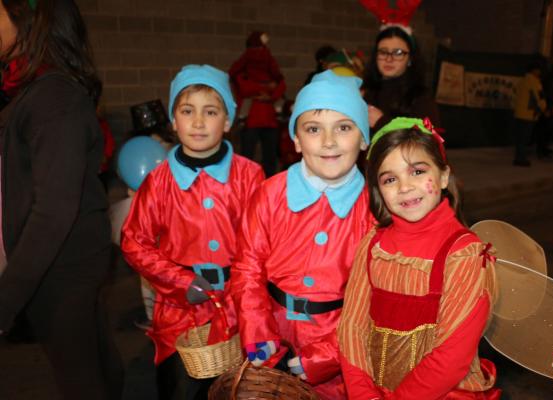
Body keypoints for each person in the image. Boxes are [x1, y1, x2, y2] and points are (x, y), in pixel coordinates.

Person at [0, 1, 123, 399]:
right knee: (93, 360)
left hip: (60, 264)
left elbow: (54, 209)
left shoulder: (53, 97)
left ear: (28, 23)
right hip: (67, 258)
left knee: (80, 379)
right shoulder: (39, 91)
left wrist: (7, 296)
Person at [121, 64, 264, 400]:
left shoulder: (250, 176)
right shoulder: (159, 182)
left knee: (233, 390)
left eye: (210, 112)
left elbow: (263, 244)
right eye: (187, 111)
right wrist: (181, 281)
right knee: (179, 390)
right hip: (178, 312)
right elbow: (134, 242)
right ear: (174, 120)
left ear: (227, 121)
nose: (198, 122)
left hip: (235, 308)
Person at [231, 70, 372, 399]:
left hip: (339, 344)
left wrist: (331, 354)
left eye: (344, 127)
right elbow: (248, 267)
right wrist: (256, 329)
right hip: (271, 334)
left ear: (363, 138)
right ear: (295, 139)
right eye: (313, 129)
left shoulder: (373, 210)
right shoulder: (269, 194)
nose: (328, 142)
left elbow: (375, 301)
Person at [338, 117, 500, 400]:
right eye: (390, 178)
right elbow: (352, 327)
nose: (404, 186)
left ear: (444, 176)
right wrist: (364, 395)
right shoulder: (373, 245)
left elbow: (452, 356)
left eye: (417, 171)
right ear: (378, 190)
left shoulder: (463, 254)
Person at [362, 26, 440, 137]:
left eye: (398, 53)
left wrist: (382, 122)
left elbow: (431, 139)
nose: (389, 59)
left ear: (410, 59)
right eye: (383, 52)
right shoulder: (366, 92)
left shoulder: (421, 97)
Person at [229, 31, 286, 177]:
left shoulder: (264, 63)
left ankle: (264, 187)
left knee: (266, 158)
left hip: (263, 118)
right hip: (254, 117)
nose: (259, 54)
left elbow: (280, 83)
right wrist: (268, 88)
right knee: (253, 158)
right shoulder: (248, 64)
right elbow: (243, 85)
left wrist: (267, 92)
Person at [512, 61, 547, 167]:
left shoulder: (521, 81)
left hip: (519, 112)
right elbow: (539, 98)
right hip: (528, 114)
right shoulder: (534, 82)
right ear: (534, 70)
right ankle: (521, 159)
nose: (540, 72)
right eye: (539, 69)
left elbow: (514, 95)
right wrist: (544, 109)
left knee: (520, 138)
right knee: (525, 138)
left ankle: (518, 157)